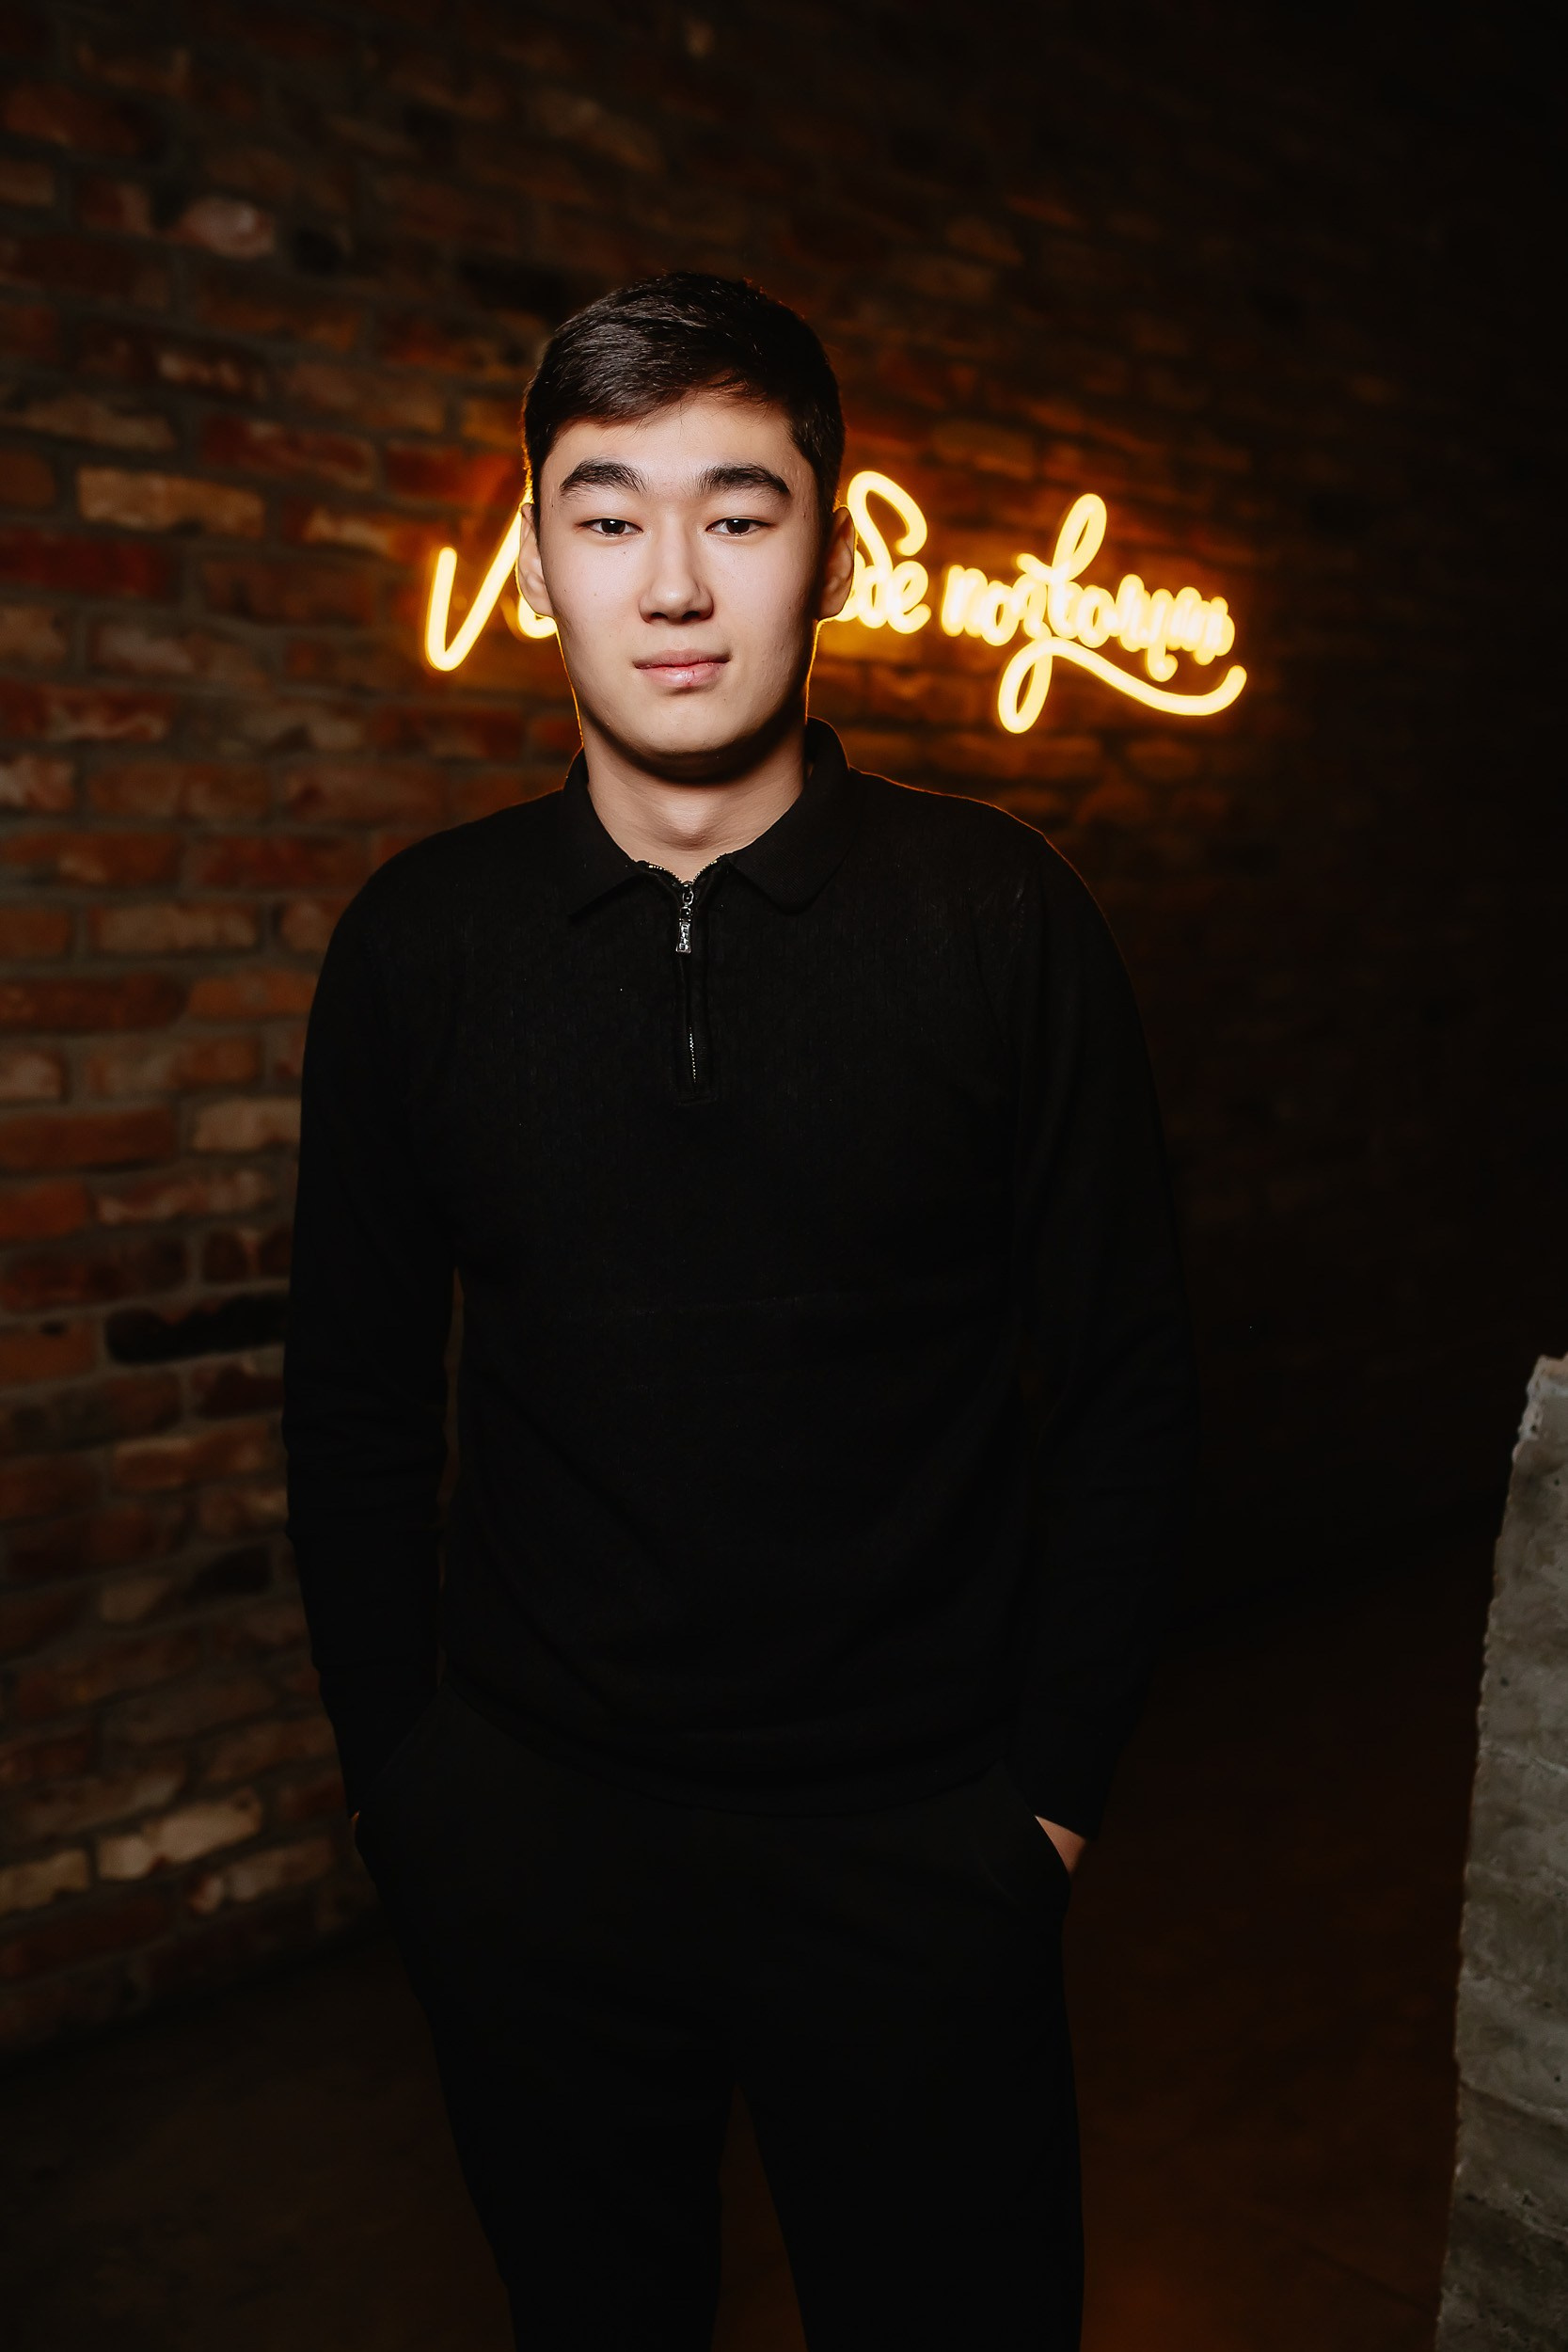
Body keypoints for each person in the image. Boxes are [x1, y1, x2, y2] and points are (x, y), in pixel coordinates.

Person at [283, 271, 1199, 2352]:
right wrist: (411, 1798)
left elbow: (1129, 1388)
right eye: (609, 515)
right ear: (536, 563)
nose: (675, 582)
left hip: (920, 1852)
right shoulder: (420, 946)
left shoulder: (1004, 919)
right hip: (531, 1853)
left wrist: (1042, 1813)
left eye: (739, 508)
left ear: (830, 549)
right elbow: (351, 1398)